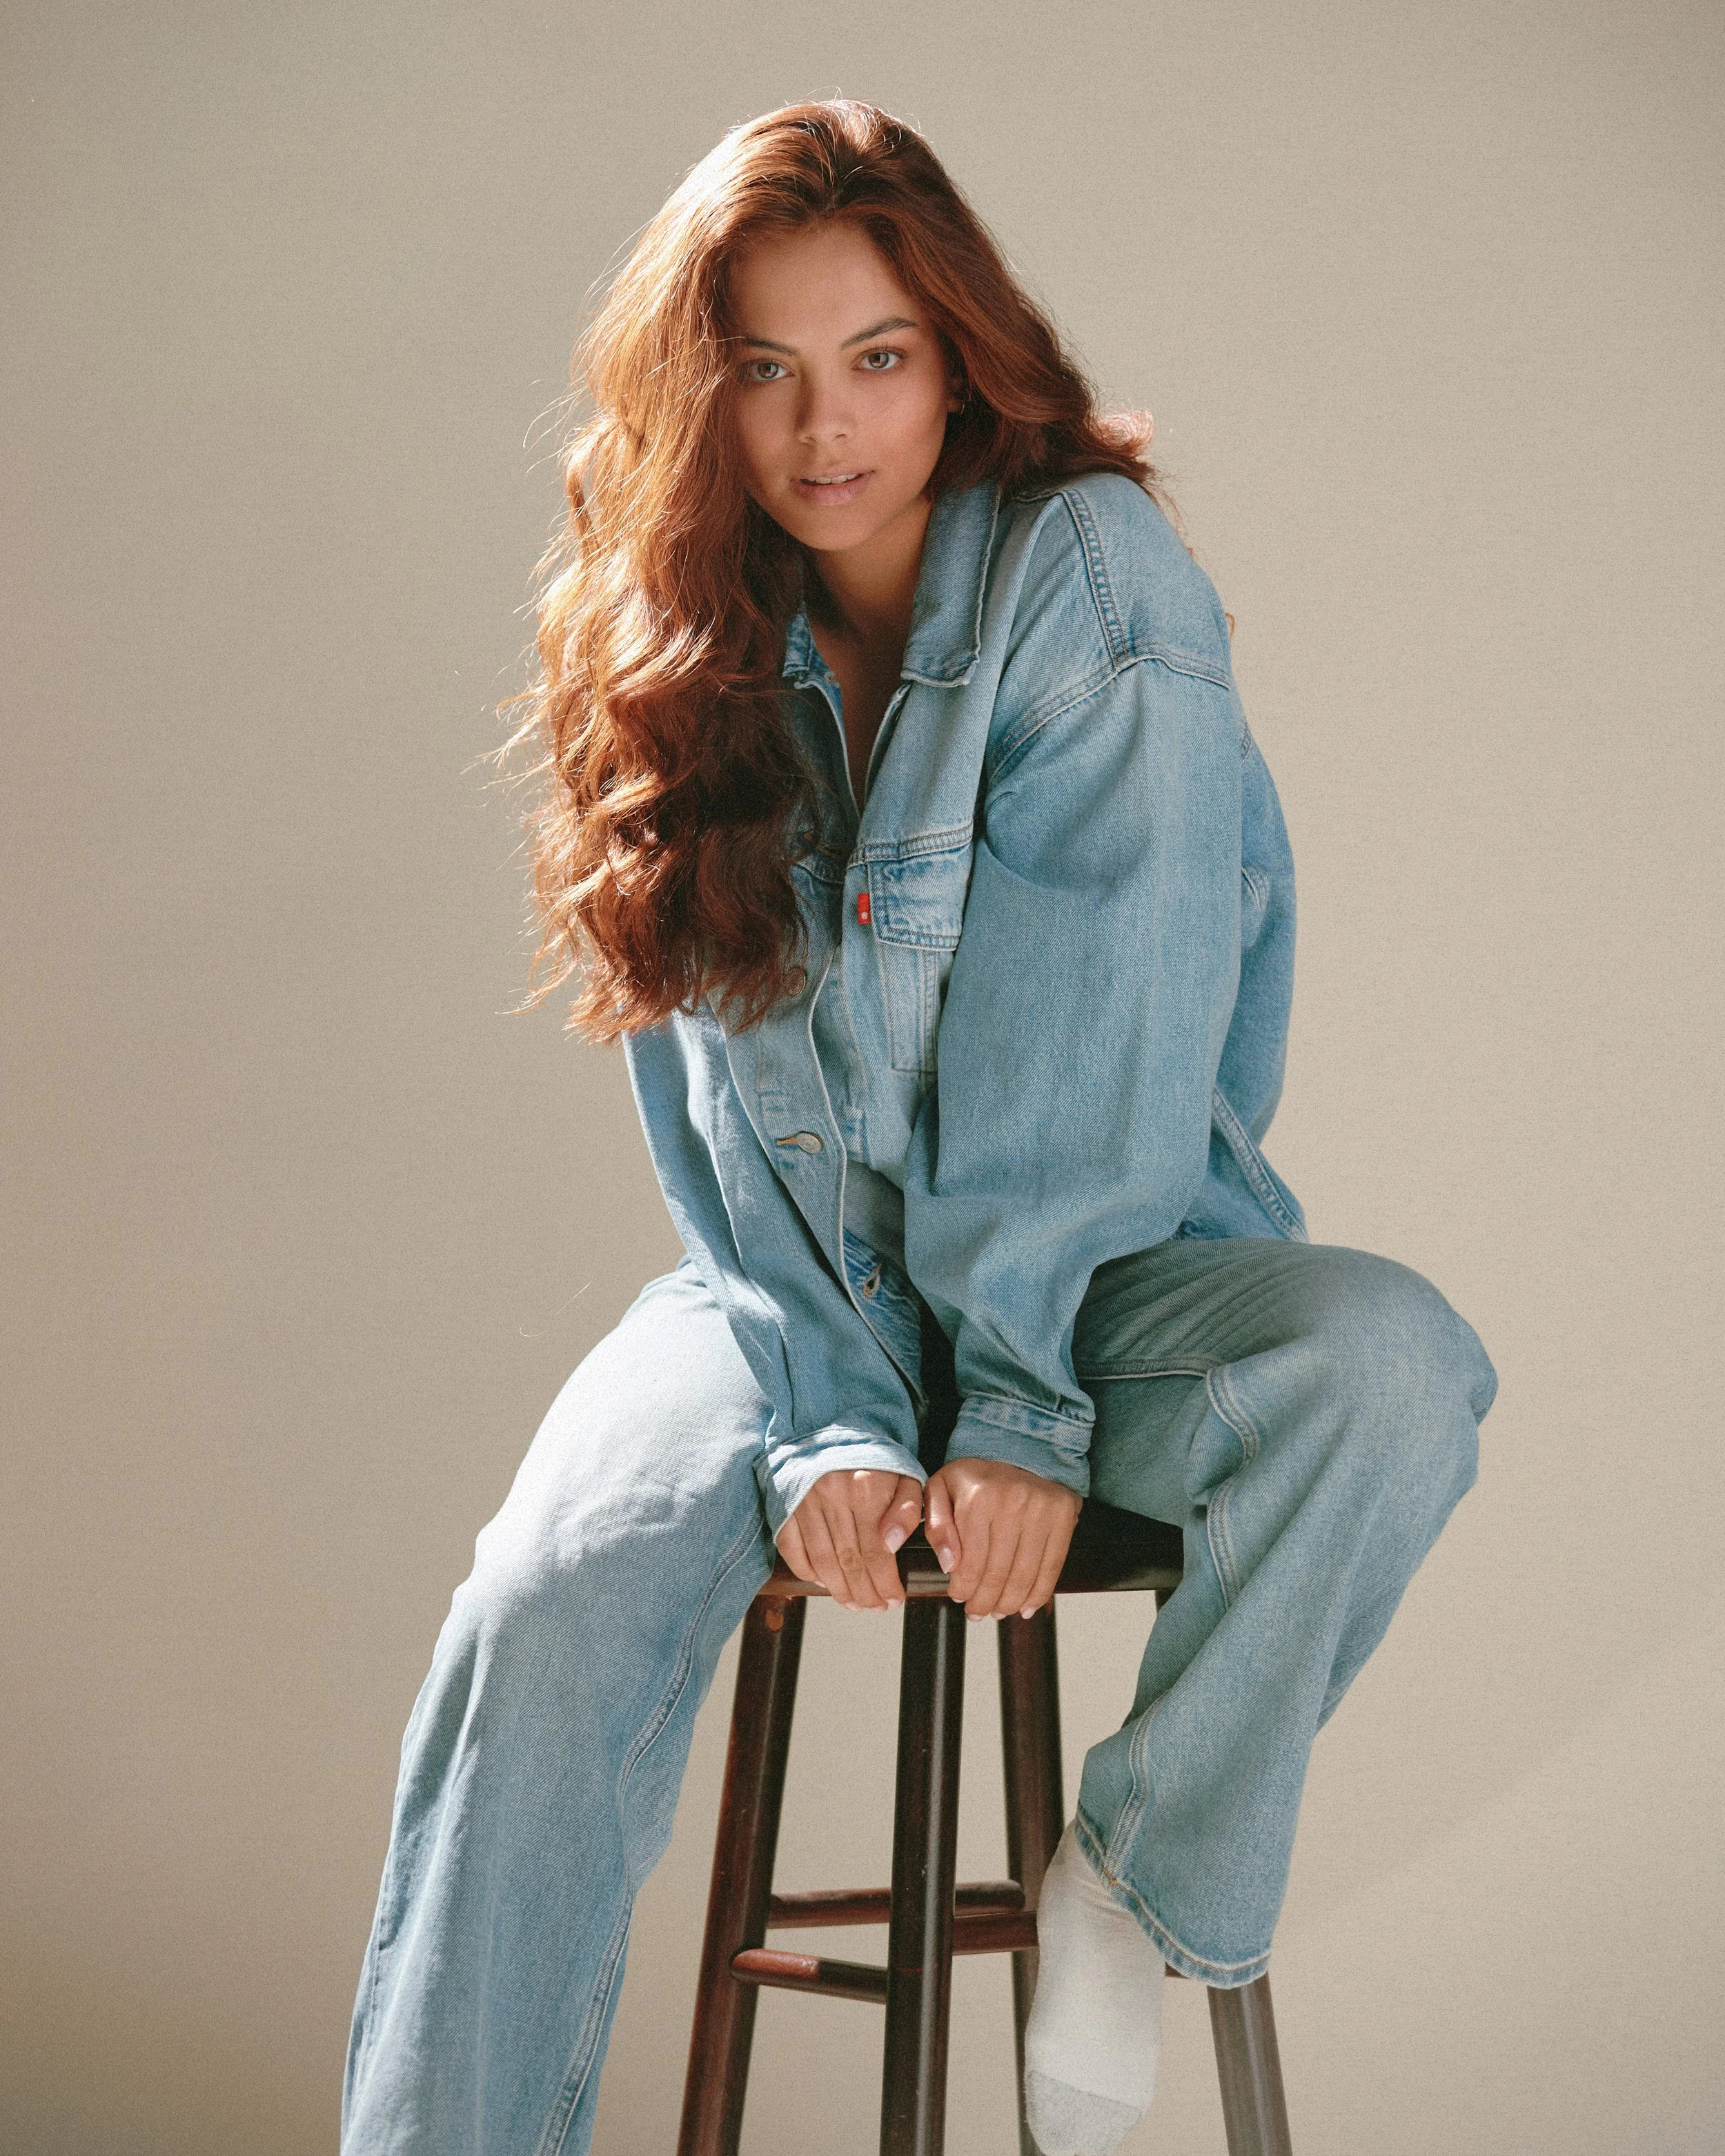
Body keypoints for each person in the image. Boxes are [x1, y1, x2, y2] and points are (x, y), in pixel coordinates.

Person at [340, 99, 1497, 2156]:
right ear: (702, 400)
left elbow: (1102, 1050)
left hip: (1107, 1265)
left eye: (875, 354)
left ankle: (1140, 1880)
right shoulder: (674, 624)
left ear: (961, 350)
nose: (822, 428)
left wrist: (1025, 1407)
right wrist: (822, 1406)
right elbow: (716, 1096)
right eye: (763, 371)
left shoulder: (1093, 583)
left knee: (1391, 1368)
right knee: (542, 1588)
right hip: (794, 1284)